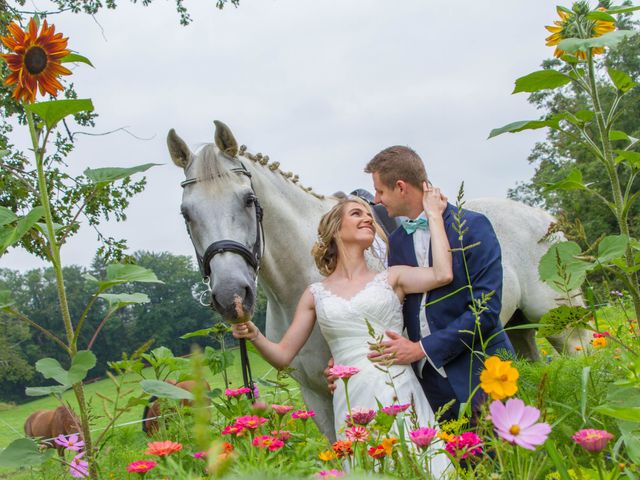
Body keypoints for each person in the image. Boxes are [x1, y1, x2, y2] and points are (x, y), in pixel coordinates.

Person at [232, 187, 452, 474]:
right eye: (356, 213)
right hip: (350, 402)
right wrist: (254, 334)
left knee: (426, 468)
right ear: (336, 229)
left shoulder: (393, 277)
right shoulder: (315, 294)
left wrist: (434, 215)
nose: (368, 219)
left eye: (369, 216)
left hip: (398, 391)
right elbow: (283, 356)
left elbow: (442, 274)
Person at [343, 145, 515, 422]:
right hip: (428, 385)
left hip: (482, 372)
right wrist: (348, 362)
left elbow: (486, 310)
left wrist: (421, 348)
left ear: (400, 187)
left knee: (502, 462)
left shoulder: (473, 226)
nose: (376, 200)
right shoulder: (398, 241)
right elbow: (392, 310)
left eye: (380, 191)